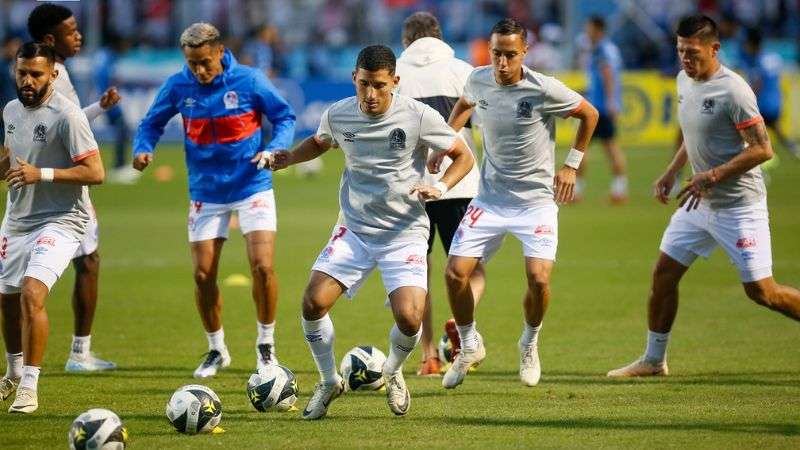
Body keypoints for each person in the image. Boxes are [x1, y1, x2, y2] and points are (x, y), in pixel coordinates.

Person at [269, 44, 473, 419]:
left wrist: (440, 187)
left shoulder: (418, 115)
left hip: (404, 232)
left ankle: (392, 371)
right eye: (364, 84)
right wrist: (289, 158)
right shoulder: (339, 114)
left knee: (410, 318)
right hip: (355, 229)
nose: (371, 94)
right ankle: (329, 381)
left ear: (395, 81)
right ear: (354, 79)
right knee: (312, 303)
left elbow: (464, 155)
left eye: (380, 85)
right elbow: (319, 142)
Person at [608, 15, 800, 378]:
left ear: (714, 49)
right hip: (698, 203)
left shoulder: (735, 91)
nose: (685, 58)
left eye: (693, 52)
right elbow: (692, 134)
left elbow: (763, 149)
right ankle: (653, 360)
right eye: (680, 51)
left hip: (738, 206)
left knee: (763, 292)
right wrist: (672, 171)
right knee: (663, 275)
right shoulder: (684, 79)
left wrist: (712, 175)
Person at [132, 23, 296, 378]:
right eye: (192, 64)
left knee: (263, 266)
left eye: (205, 62)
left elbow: (284, 116)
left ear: (220, 52)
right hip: (206, 191)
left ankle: (266, 346)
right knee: (204, 274)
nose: (199, 71)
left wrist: (273, 148)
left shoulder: (250, 80)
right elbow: (150, 124)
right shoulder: (178, 85)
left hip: (253, 184)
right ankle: (216, 348)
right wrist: (143, 148)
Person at [442, 18, 599, 389]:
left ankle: (529, 342)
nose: (501, 63)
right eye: (496, 53)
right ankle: (468, 344)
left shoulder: (543, 88)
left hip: (536, 203)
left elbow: (589, 114)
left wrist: (571, 166)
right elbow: (464, 105)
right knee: (454, 273)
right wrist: (445, 144)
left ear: (524, 53)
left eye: (510, 55)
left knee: (539, 279)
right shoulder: (478, 79)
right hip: (490, 199)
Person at [0, 3, 122, 390]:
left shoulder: (34, 68)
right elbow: (61, 121)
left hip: (49, 199)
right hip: (51, 200)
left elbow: (66, 118)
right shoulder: (51, 71)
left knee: (73, 267)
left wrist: (99, 109)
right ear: (51, 40)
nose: (79, 35)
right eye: (71, 31)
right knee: (83, 263)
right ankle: (76, 353)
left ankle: (38, 364)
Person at [395, 11, 483, 376]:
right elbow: (481, 123)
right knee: (470, 268)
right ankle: (462, 320)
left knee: (420, 271)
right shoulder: (462, 70)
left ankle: (428, 355)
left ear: (407, 40)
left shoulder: (395, 72)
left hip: (412, 185)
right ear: (440, 36)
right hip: (460, 180)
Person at [576, 16, 628, 204]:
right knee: (606, 148)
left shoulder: (602, 50)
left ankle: (578, 191)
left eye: (588, 28)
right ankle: (618, 189)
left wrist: (611, 103)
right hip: (599, 105)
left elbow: (608, 77)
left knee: (586, 147)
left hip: (600, 108)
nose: (586, 32)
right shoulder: (607, 49)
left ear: (598, 29)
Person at [738, 28, 798, 158]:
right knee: (774, 130)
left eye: (747, 44)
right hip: (776, 102)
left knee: (743, 132)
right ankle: (794, 148)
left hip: (762, 104)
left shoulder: (756, 61)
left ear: (753, 44)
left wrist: (745, 98)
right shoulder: (773, 57)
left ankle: (761, 163)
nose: (745, 47)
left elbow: (757, 84)